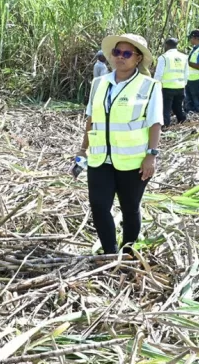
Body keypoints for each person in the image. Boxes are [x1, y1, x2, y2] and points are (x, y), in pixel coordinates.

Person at [77, 33, 162, 255]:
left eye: (127, 53)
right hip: (100, 158)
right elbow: (91, 119)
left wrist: (151, 155)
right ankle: (110, 253)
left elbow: (155, 123)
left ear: (138, 58)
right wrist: (83, 150)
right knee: (99, 206)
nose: (120, 57)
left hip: (132, 161)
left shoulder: (150, 86)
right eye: (117, 52)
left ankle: (128, 251)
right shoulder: (99, 83)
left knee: (130, 208)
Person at [153, 38, 187, 127]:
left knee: (165, 108)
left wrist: (155, 86)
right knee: (178, 107)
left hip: (167, 87)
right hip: (180, 86)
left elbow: (158, 74)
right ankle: (183, 122)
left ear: (166, 45)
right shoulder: (184, 57)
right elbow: (186, 73)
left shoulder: (163, 57)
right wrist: (184, 84)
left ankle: (165, 125)